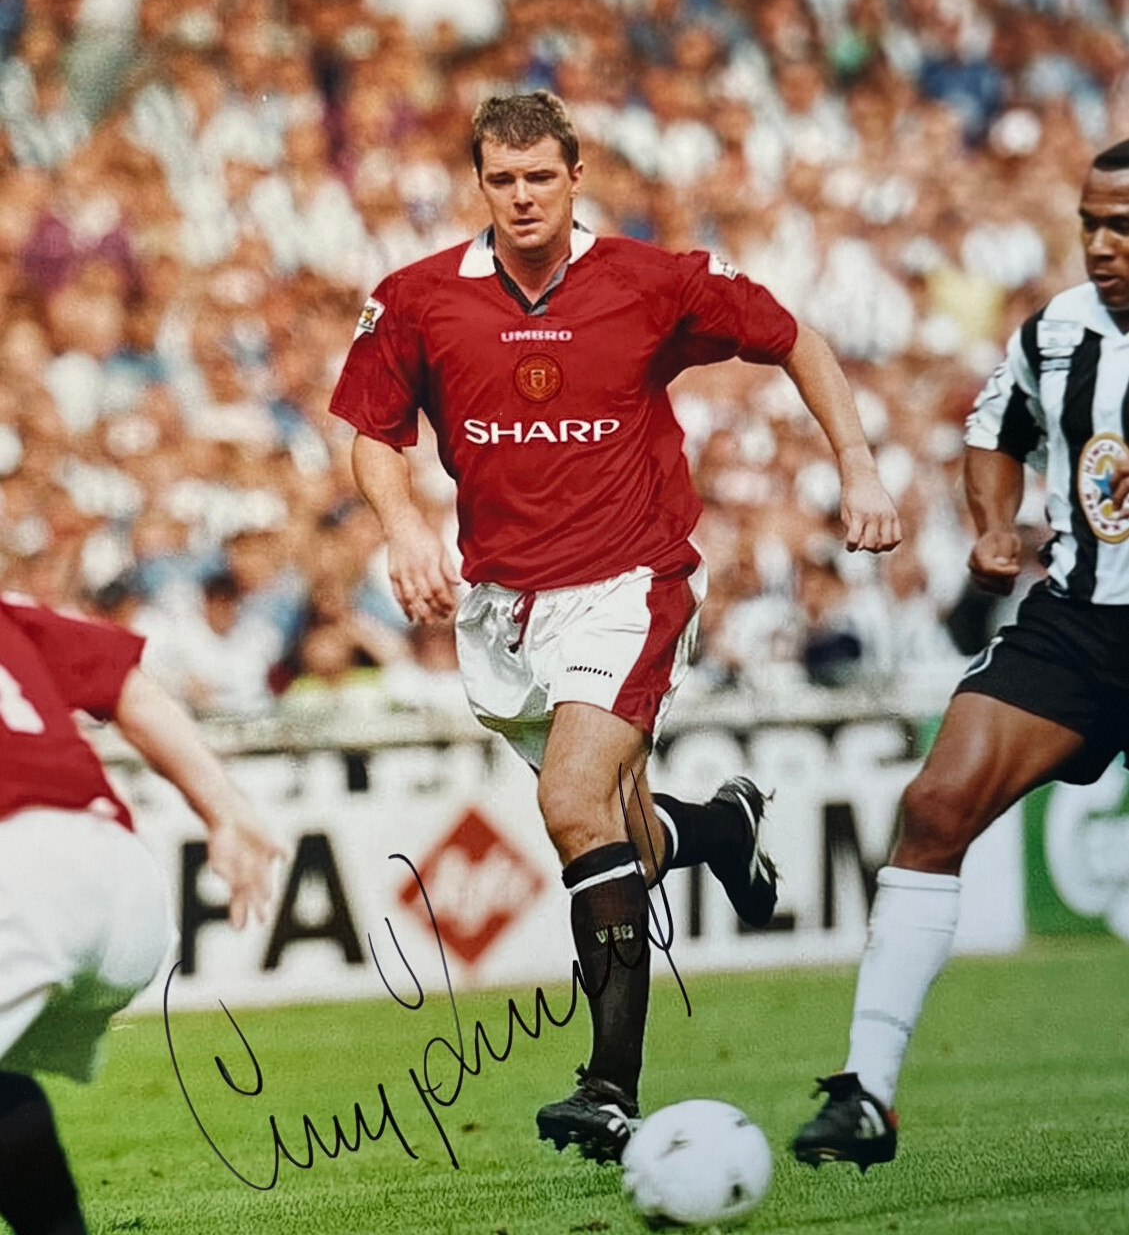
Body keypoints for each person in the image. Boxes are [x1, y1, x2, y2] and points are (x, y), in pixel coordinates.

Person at [329, 90, 901, 1164]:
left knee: (569, 801)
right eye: (502, 179)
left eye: (540, 177)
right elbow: (369, 429)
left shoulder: (649, 280)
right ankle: (715, 831)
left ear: (575, 176)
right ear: (479, 184)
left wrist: (858, 466)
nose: (522, 197)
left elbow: (795, 339)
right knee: (615, 835)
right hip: (501, 606)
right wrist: (403, 527)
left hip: (629, 584)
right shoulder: (417, 298)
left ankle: (608, 1088)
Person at [792, 139, 1129, 1172]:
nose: (1099, 246)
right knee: (935, 806)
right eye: (1089, 225)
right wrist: (991, 526)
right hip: (1080, 623)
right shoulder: (1057, 331)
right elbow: (996, 431)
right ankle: (865, 1094)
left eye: (1121, 228)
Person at [0, 592, 282, 1235]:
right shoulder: (9, 609)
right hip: (122, 884)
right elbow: (128, 685)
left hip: (16, 876)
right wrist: (225, 810)